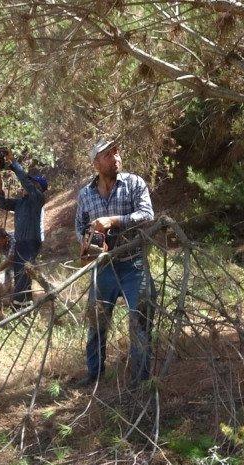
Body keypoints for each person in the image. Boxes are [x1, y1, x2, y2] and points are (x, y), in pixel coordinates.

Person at [73, 139, 156, 387]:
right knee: (96, 323)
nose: (116, 157)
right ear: (96, 163)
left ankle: (140, 381)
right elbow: (79, 226)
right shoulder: (85, 194)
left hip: (134, 265)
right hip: (103, 268)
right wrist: (87, 242)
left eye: (117, 152)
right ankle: (94, 374)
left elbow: (147, 215)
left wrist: (114, 221)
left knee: (140, 321)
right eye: (108, 154)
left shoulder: (134, 183)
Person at [0, 159, 48, 305]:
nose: (24, 187)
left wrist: (14, 165)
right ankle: (23, 303)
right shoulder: (20, 202)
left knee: (24, 272)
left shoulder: (37, 199)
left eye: (31, 185)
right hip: (20, 242)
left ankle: (20, 303)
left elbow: (26, 183)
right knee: (20, 273)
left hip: (31, 242)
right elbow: (4, 203)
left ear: (37, 188)